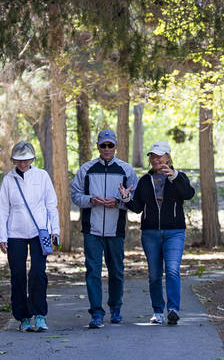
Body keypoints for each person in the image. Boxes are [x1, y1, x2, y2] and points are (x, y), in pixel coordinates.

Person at [118, 140, 195, 326]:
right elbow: (137, 208)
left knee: (172, 270)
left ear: (168, 157)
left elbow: (188, 194)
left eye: (159, 156)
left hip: (174, 232)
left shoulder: (179, 178)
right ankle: (158, 311)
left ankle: (173, 309)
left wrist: (175, 176)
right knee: (154, 274)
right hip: (150, 233)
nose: (156, 159)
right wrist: (126, 197)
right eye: (153, 156)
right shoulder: (145, 181)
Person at [70, 128, 136, 328]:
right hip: (92, 229)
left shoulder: (126, 170)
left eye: (110, 145)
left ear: (116, 146)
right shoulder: (86, 169)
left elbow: (134, 200)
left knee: (116, 271)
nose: (107, 149)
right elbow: (75, 195)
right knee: (93, 271)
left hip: (116, 230)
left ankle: (116, 308)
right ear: (97, 146)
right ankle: (96, 313)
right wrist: (91, 200)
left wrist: (119, 202)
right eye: (103, 145)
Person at [0, 141, 60, 333]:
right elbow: (2, 209)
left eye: (26, 160)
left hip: (39, 231)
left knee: (38, 273)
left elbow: (51, 204)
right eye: (19, 160)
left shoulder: (42, 176)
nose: (23, 164)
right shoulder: (9, 180)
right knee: (17, 275)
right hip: (15, 233)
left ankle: (40, 315)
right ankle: (23, 317)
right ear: (14, 160)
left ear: (32, 158)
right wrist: (2, 236)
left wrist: (54, 230)